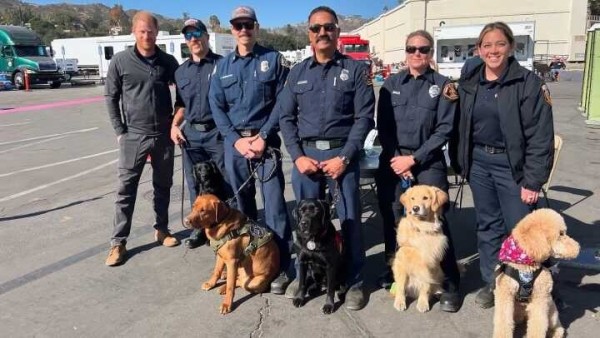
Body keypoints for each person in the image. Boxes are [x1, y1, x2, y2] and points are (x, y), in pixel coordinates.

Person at [450, 22, 555, 308]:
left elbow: (540, 136)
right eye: (487, 45)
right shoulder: (471, 79)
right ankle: (493, 282)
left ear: (511, 47)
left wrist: (533, 181)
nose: (493, 50)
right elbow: (460, 121)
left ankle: (531, 284)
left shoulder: (528, 83)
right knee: (488, 226)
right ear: (478, 49)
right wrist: (461, 161)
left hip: (513, 166)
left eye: (499, 44)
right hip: (479, 163)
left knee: (521, 229)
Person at [278, 6, 375, 310]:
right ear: (309, 34)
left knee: (348, 221)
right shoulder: (297, 73)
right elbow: (285, 118)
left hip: (340, 155)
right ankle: (305, 277)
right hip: (306, 157)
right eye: (316, 28)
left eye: (328, 27)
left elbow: (364, 118)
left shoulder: (355, 71)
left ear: (337, 32)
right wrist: (296, 156)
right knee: (305, 222)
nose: (322, 33)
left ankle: (356, 280)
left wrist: (345, 157)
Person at [375, 30, 462, 313]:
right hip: (393, 159)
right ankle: (396, 272)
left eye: (423, 49)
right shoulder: (391, 83)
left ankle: (449, 281)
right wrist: (398, 158)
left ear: (431, 53)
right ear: (406, 51)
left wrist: (413, 159)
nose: (417, 54)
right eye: (412, 49)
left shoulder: (444, 86)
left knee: (437, 220)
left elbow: (445, 129)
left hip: (427, 161)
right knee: (393, 217)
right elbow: (384, 126)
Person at [208, 6, 292, 294]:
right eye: (238, 25)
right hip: (236, 147)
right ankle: (247, 260)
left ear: (256, 27)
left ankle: (281, 265)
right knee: (241, 211)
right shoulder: (222, 67)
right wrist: (236, 140)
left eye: (248, 25)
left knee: (275, 208)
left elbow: (283, 102)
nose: (243, 30)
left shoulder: (273, 60)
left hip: (265, 145)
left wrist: (263, 136)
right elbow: (217, 108)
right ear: (232, 30)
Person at [105, 11, 181, 266]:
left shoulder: (168, 62)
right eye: (141, 31)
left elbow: (183, 94)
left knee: (163, 186)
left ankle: (162, 229)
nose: (146, 35)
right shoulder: (121, 61)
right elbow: (110, 97)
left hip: (163, 136)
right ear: (133, 32)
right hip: (133, 136)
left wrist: (175, 122)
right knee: (126, 190)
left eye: (150, 31)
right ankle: (118, 243)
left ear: (157, 33)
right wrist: (119, 130)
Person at [172, 18, 233, 249]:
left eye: (197, 33)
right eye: (188, 35)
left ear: (206, 36)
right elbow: (180, 105)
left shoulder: (224, 65)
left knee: (226, 181)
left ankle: (231, 226)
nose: (194, 38)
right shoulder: (181, 72)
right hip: (192, 138)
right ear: (186, 41)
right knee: (195, 184)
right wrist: (174, 125)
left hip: (218, 134)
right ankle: (199, 229)